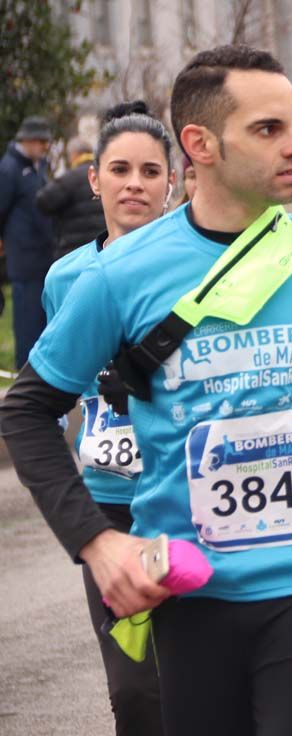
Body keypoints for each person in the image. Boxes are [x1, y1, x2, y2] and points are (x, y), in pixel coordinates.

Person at [0, 44, 292, 736]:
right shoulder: (122, 275)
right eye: (269, 130)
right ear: (199, 145)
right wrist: (99, 545)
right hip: (190, 590)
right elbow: (26, 412)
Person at [41, 100, 174, 735]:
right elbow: (49, 391)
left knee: (195, 681)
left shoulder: (197, 264)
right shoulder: (66, 278)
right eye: (119, 170)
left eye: (150, 171)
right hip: (111, 507)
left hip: (189, 500)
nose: (134, 184)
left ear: (171, 180)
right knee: (134, 691)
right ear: (94, 179)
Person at [0, 115, 55, 368]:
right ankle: (24, 371)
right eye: (41, 142)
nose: (45, 147)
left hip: (44, 256)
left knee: (42, 319)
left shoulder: (40, 165)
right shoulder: (9, 168)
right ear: (28, 140)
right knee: (26, 321)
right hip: (24, 258)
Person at [37, 135, 106, 260]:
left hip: (74, 251)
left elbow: (43, 202)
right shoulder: (105, 174)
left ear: (74, 155)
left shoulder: (69, 179)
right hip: (103, 247)